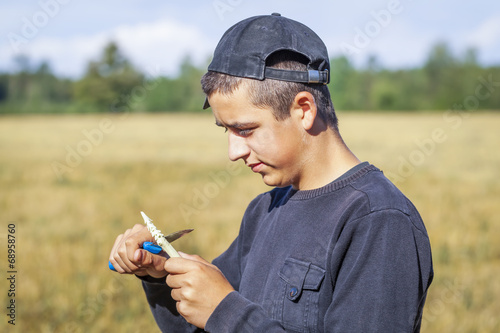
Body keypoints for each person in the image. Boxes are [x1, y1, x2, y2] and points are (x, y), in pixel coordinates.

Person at [109, 13, 433, 332]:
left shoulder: (379, 220)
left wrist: (227, 313)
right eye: (226, 131)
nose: (233, 153)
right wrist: (158, 275)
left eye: (246, 130)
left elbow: (220, 314)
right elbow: (199, 324)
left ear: (303, 110)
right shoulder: (265, 210)